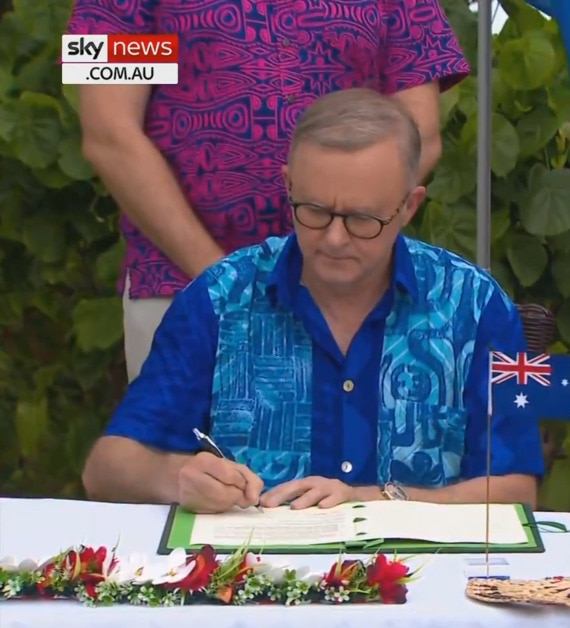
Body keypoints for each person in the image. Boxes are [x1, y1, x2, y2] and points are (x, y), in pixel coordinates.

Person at [80, 89, 543, 513]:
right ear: (289, 186)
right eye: (315, 212)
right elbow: (106, 468)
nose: (335, 239)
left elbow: (515, 490)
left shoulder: (476, 306)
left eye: (362, 219)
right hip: (254, 588)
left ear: (408, 207)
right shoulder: (219, 299)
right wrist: (178, 478)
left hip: (421, 585)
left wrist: (375, 499)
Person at [68, 0, 470, 381]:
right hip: (185, 289)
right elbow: (110, 135)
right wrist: (229, 282)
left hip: (350, 296)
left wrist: (336, 249)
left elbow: (420, 135)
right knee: (190, 456)